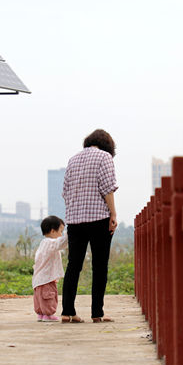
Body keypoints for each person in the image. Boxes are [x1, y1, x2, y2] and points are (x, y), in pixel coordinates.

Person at [61, 129, 118, 324]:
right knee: (99, 266)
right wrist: (113, 214)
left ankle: (67, 312)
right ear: (107, 145)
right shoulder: (105, 157)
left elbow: (65, 191)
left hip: (75, 220)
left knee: (73, 265)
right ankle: (97, 313)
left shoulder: (73, 159)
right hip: (98, 218)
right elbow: (107, 188)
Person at [32, 215, 68, 322]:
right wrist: (69, 232)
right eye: (61, 231)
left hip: (38, 280)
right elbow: (61, 243)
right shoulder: (51, 243)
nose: (61, 234)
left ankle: (41, 314)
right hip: (47, 279)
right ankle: (48, 315)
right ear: (53, 231)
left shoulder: (43, 243)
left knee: (40, 298)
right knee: (49, 297)